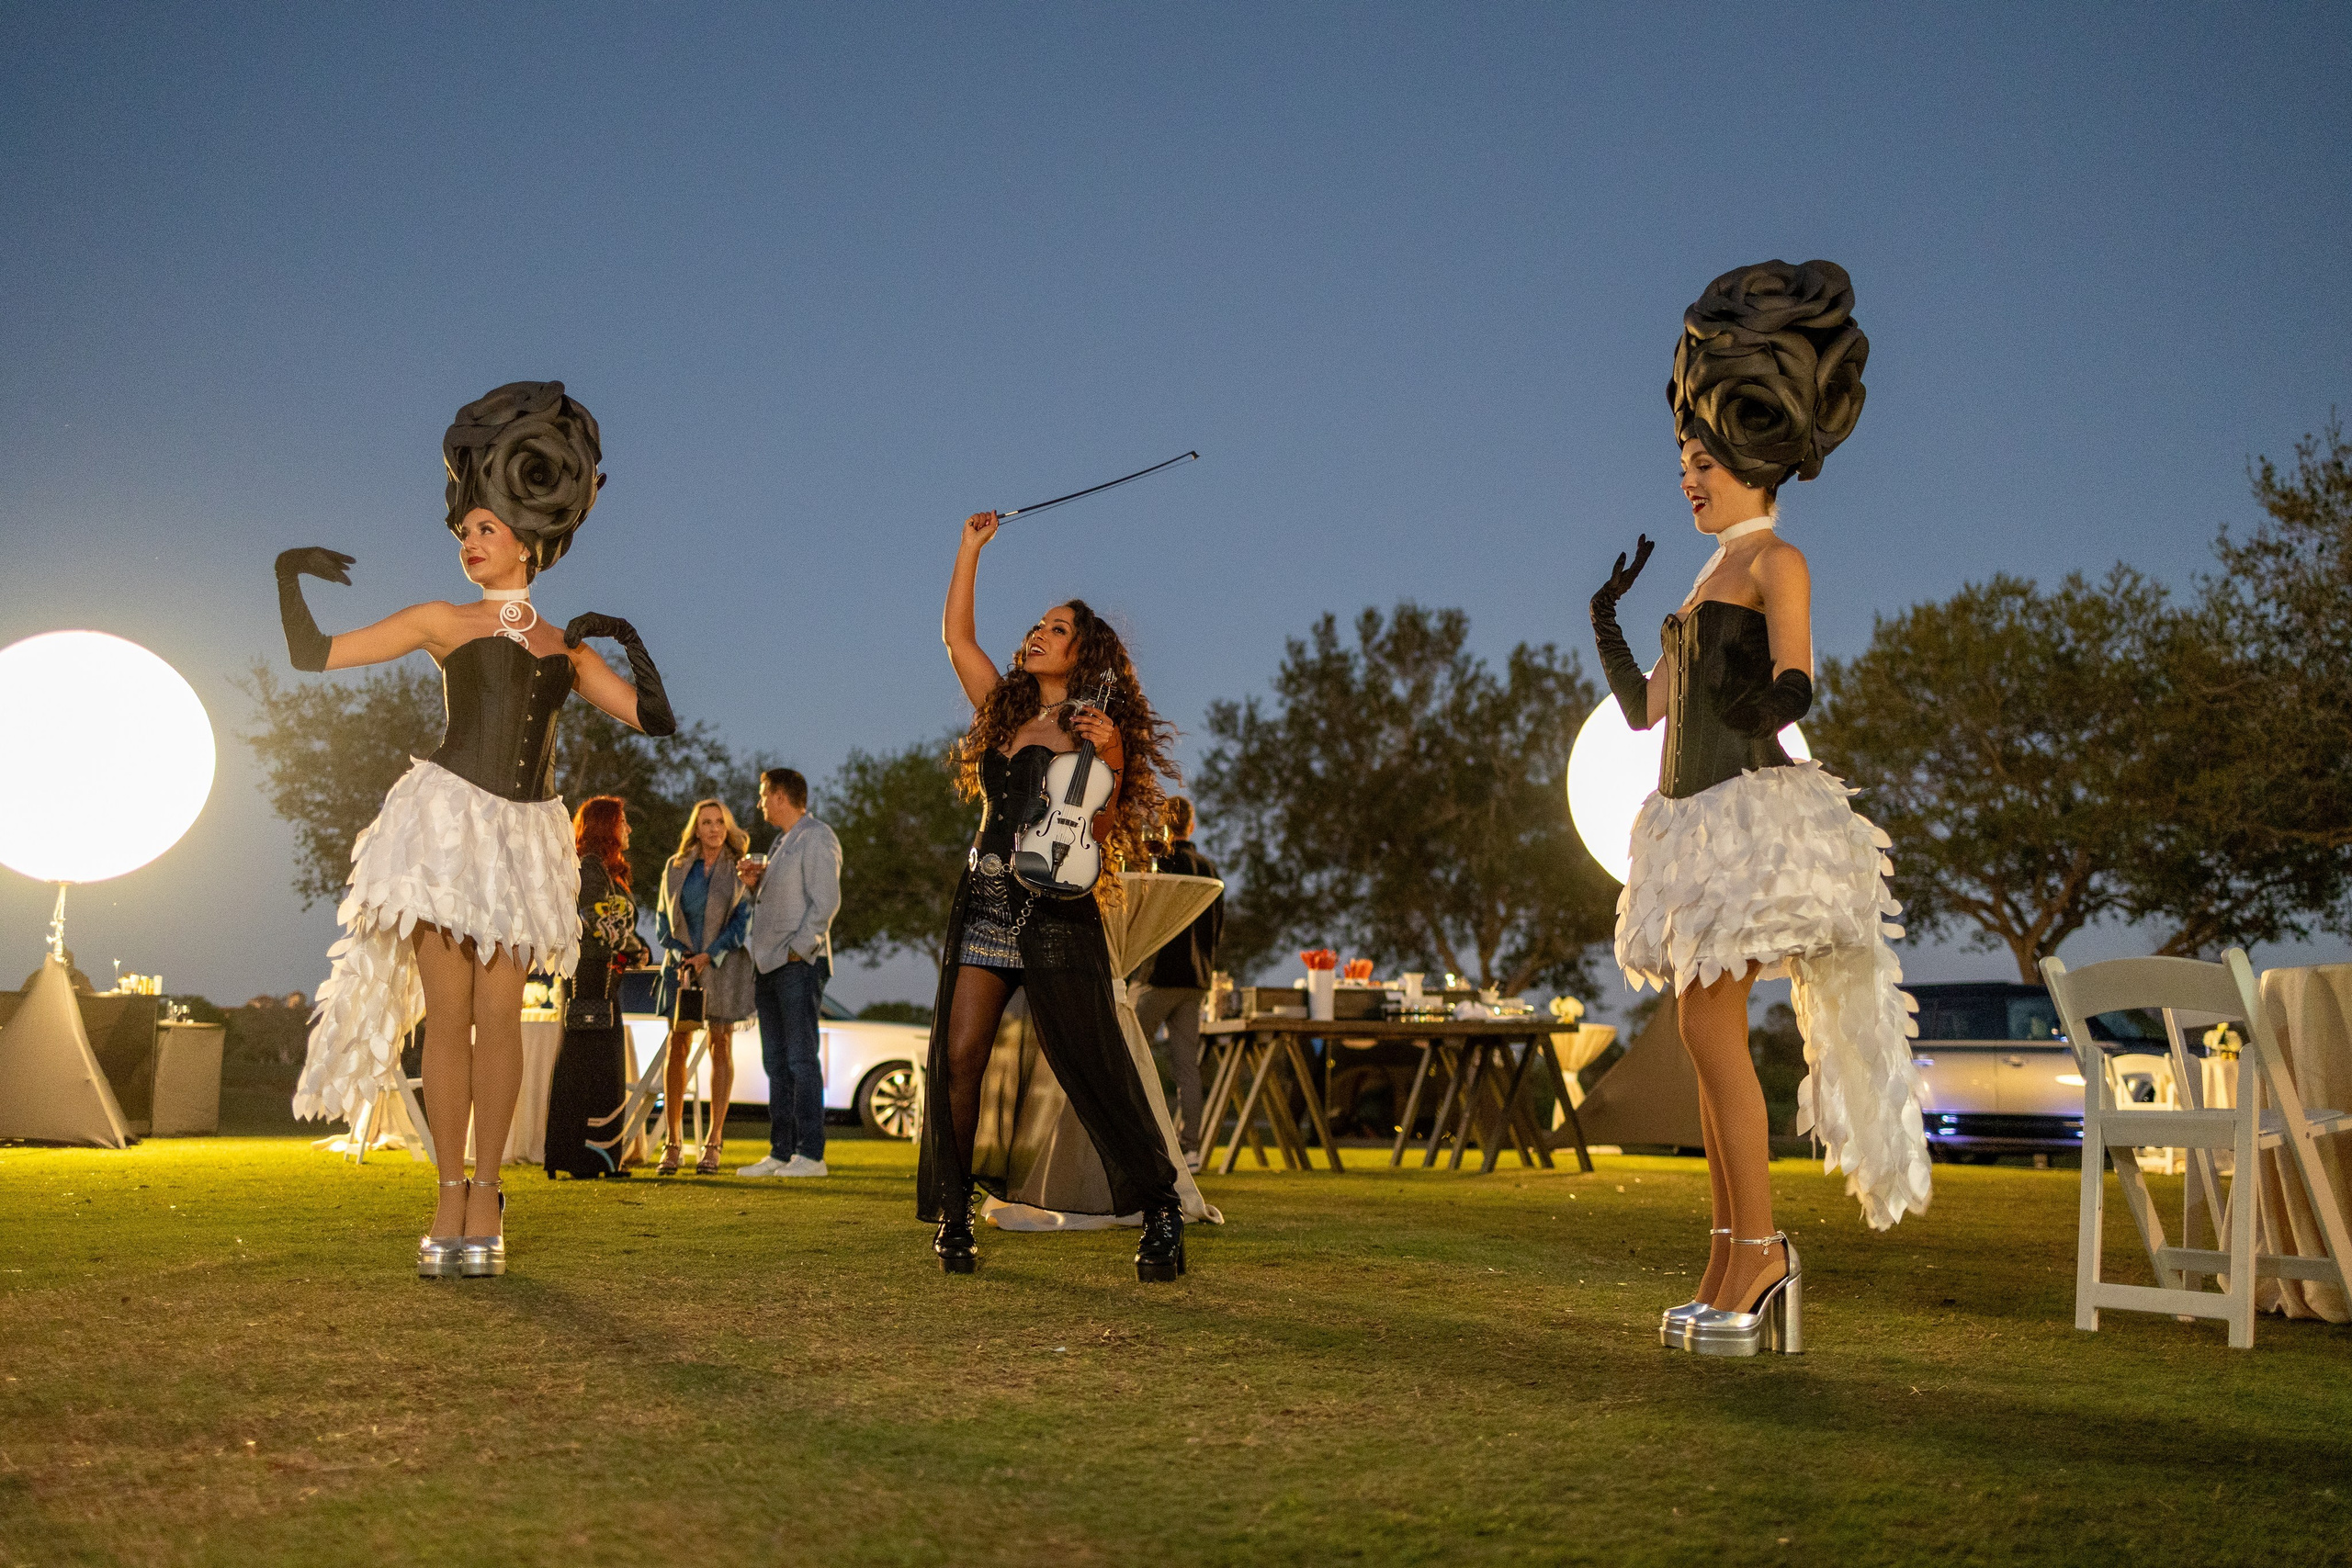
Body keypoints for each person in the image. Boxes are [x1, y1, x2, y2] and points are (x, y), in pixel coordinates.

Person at [1589, 261, 1928, 1357]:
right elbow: (1648, 710)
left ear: (1753, 452)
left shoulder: (1777, 557)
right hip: (1686, 813)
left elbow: (1796, 682)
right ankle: (1732, 1249)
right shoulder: (1699, 579)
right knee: (1698, 1034)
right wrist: (1606, 620)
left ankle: (1762, 1249)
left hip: (1744, 817)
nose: (1688, 479)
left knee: (1717, 1040)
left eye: (1702, 461)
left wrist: (1766, 698)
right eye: (1682, 462)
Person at [277, 380, 678, 1279]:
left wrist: (623, 641)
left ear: (530, 538)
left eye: (484, 530)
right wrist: (287, 576)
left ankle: (488, 1191)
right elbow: (317, 655)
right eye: (464, 531)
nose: (468, 543)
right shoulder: (439, 620)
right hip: (446, 825)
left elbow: (655, 721)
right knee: (446, 1019)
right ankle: (447, 1188)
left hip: (523, 838)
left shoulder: (564, 649)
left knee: (499, 1018)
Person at [918, 510, 1191, 1280]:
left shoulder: (1094, 730)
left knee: (1091, 1062)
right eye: (1037, 624)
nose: (1037, 633)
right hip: (984, 899)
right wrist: (968, 548)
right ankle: (955, 1212)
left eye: (1055, 628)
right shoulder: (1004, 708)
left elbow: (1097, 827)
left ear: (1083, 651)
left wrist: (1110, 749)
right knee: (960, 1054)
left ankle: (1161, 1208)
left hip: (1055, 910)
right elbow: (956, 640)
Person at [735, 769, 841, 1179]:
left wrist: (799, 951)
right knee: (776, 1062)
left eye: (764, 795)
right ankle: (781, 1152)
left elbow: (825, 902)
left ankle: (811, 1155)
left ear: (781, 796)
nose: (760, 802)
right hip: (768, 966)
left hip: (796, 965)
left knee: (800, 1059)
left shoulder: (817, 837)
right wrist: (753, 887)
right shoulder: (781, 842)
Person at [546, 795, 650, 1179]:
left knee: (594, 1068)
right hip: (591, 979)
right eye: (623, 822)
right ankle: (584, 1159)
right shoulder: (590, 867)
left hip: (603, 978)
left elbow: (614, 924)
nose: (628, 829)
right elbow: (595, 920)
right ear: (607, 826)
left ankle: (589, 1159)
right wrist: (634, 946)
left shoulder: (604, 870)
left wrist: (636, 948)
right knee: (591, 1068)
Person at [651, 799, 755, 1175]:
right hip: (680, 968)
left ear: (727, 827)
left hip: (721, 966)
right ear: (696, 828)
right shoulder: (676, 867)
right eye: (706, 822)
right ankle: (673, 1143)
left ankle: (713, 1143)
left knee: (721, 1043)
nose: (713, 828)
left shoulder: (739, 870)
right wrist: (684, 955)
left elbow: (742, 922)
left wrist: (709, 955)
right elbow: (663, 919)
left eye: (719, 822)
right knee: (677, 1047)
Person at [1127, 796, 1223, 1166]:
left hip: (1159, 975)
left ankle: (1137, 1137)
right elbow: (1216, 931)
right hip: (1196, 979)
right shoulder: (1210, 869)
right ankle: (1191, 1146)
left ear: (1164, 826)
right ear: (1191, 825)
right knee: (1187, 1066)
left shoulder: (1159, 863)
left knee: (1129, 1051)